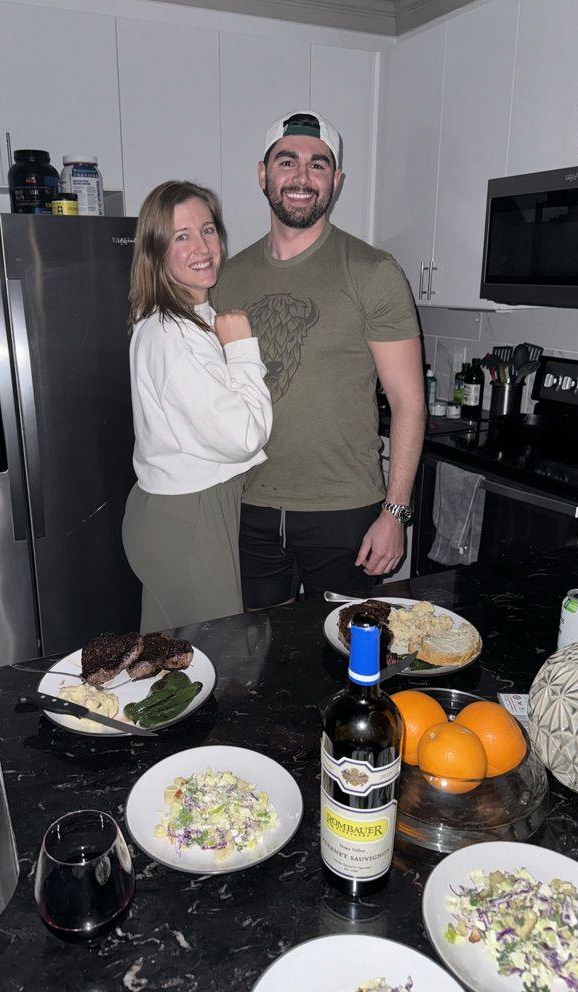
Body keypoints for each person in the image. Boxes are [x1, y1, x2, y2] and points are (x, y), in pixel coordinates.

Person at [211, 110, 425, 607]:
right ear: (263, 175)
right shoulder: (227, 278)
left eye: (319, 165)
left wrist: (395, 514)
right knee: (257, 658)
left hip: (343, 509)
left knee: (345, 658)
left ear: (336, 181)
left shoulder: (372, 271)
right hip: (246, 506)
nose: (302, 177)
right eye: (287, 162)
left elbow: (409, 403)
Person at [122, 180, 273, 632]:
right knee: (215, 658)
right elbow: (244, 437)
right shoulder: (174, 334)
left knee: (173, 657)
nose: (202, 246)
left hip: (179, 510)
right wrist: (244, 348)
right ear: (156, 250)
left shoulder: (186, 319)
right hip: (189, 516)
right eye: (182, 236)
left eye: (208, 230)